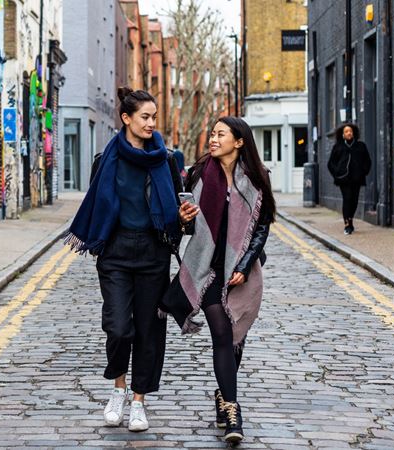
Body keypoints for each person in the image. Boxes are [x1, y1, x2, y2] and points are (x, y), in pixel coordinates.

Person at [65, 87, 190, 432]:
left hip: (153, 253)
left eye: (154, 117)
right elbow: (97, 207)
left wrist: (185, 216)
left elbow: (178, 212)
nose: (152, 123)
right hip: (116, 253)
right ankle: (117, 388)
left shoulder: (165, 160)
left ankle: (138, 400)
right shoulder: (106, 159)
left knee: (150, 330)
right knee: (119, 327)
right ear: (127, 118)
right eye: (145, 117)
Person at [160, 116, 275, 444]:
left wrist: (246, 262)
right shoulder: (199, 175)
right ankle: (233, 411)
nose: (213, 139)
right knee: (222, 332)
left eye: (220, 134)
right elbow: (187, 228)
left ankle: (224, 394)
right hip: (206, 269)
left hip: (241, 270)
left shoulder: (255, 179)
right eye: (212, 133)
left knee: (236, 338)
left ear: (238, 142)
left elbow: (263, 226)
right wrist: (182, 221)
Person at [327, 123, 371, 235]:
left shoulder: (361, 146)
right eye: (346, 131)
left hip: (357, 178)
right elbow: (330, 163)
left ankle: (350, 218)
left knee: (354, 200)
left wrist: (363, 172)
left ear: (354, 133)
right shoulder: (338, 147)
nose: (349, 133)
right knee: (347, 198)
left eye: (350, 131)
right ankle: (347, 224)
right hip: (343, 179)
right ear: (342, 135)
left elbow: (368, 161)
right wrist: (336, 174)